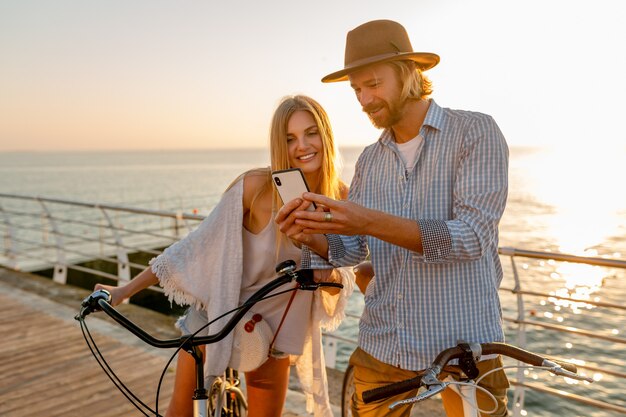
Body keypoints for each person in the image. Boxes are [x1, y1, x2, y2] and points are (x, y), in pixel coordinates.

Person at [276, 20, 510, 417]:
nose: (364, 100)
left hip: (465, 344)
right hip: (385, 340)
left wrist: (367, 220)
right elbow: (353, 249)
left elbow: (472, 238)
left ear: (408, 73)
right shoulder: (370, 159)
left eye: (373, 84)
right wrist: (311, 235)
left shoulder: (475, 132)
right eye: (356, 90)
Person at [95, 95, 354, 417]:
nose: (302, 145)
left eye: (311, 133)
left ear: (326, 135)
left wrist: (321, 260)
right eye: (290, 138)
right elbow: (195, 245)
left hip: (277, 327)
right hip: (220, 314)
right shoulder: (254, 187)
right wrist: (123, 291)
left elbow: (336, 283)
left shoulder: (343, 199)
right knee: (182, 412)